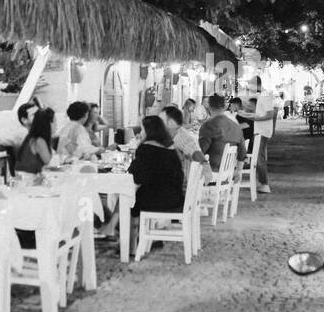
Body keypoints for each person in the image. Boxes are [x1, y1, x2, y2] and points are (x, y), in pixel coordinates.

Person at [95, 116, 183, 249]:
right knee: (131, 191)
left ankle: (129, 244)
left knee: (127, 194)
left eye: (142, 130)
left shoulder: (147, 148)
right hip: (174, 196)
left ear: (149, 131)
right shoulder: (169, 147)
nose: (139, 134)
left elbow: (136, 176)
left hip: (159, 199)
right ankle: (124, 232)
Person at [245, 75, 278, 194]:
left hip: (262, 131)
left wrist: (255, 118)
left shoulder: (265, 96)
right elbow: (260, 113)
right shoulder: (261, 97)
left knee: (259, 159)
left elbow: (270, 114)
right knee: (258, 158)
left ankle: (264, 184)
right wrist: (250, 115)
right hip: (259, 130)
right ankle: (261, 183)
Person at [199, 93, 247, 173]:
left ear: (209, 107)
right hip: (228, 174)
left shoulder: (208, 126)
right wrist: (238, 171)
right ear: (224, 107)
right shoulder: (236, 126)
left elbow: (200, 151)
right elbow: (242, 153)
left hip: (211, 174)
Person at [161, 105, 207, 177]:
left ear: (171, 122)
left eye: (161, 120)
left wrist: (204, 164)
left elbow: (196, 153)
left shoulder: (182, 137)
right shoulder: (169, 136)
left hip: (182, 183)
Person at [16, 107, 55, 174]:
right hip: (30, 180)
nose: (56, 125)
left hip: (28, 178)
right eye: (54, 122)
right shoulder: (39, 141)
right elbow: (50, 163)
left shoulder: (31, 137)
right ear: (47, 124)